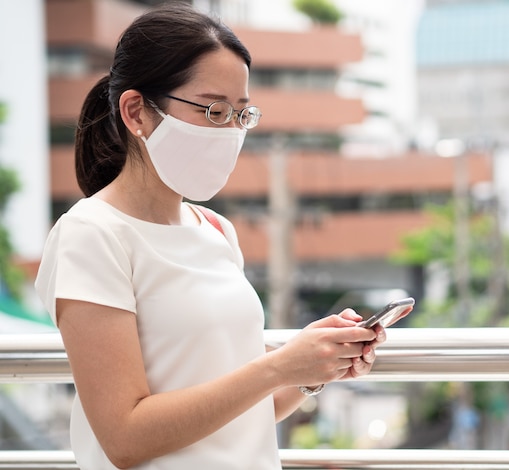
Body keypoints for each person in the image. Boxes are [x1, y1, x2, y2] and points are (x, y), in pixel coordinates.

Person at [35, 3, 387, 470]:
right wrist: (278, 365)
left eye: (241, 114)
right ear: (137, 111)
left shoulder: (216, 230)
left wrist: (312, 369)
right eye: (214, 110)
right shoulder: (91, 235)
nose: (230, 132)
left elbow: (240, 412)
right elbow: (123, 436)